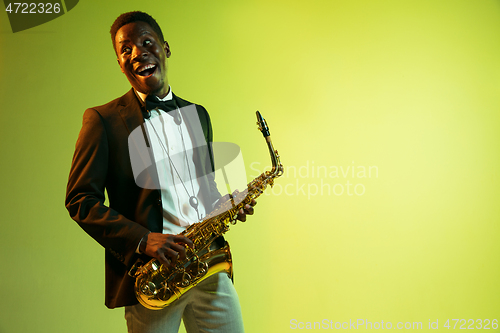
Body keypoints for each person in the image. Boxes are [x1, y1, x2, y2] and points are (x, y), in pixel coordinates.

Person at [65, 11, 255, 333]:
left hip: (208, 264)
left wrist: (226, 204)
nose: (137, 53)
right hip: (155, 276)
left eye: (146, 42)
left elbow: (202, 188)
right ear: (120, 63)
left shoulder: (198, 115)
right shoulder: (102, 121)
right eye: (126, 49)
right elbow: (80, 200)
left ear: (165, 49)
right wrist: (143, 240)